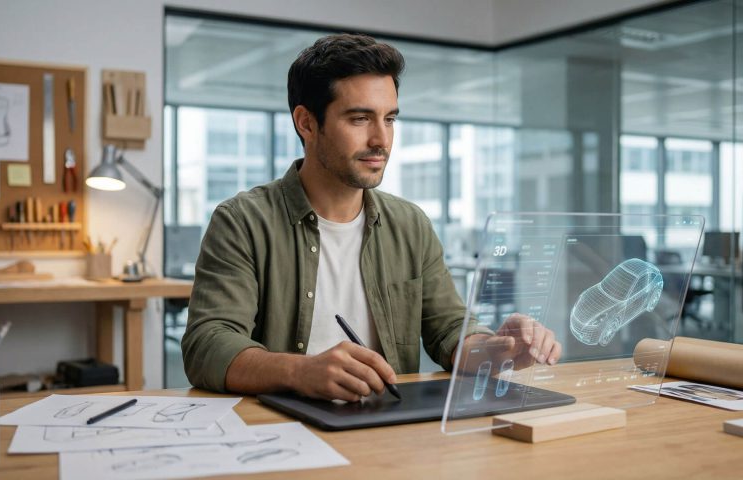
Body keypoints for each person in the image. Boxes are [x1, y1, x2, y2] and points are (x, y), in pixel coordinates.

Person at [182, 33, 561, 402]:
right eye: (360, 119)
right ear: (306, 123)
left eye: (390, 119)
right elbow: (208, 345)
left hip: (389, 434)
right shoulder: (242, 221)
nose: (381, 139)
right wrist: (301, 372)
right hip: (284, 436)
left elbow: (448, 331)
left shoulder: (410, 225)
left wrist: (496, 348)